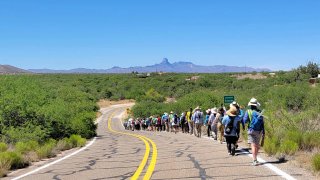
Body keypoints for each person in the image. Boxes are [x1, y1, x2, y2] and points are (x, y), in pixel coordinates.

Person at [243, 98, 265, 166]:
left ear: (250, 105)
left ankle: (254, 160)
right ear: (256, 105)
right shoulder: (260, 111)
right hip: (259, 130)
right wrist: (263, 131)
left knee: (253, 145)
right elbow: (262, 122)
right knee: (257, 145)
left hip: (251, 130)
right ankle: (256, 159)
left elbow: (244, 120)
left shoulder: (248, 111)